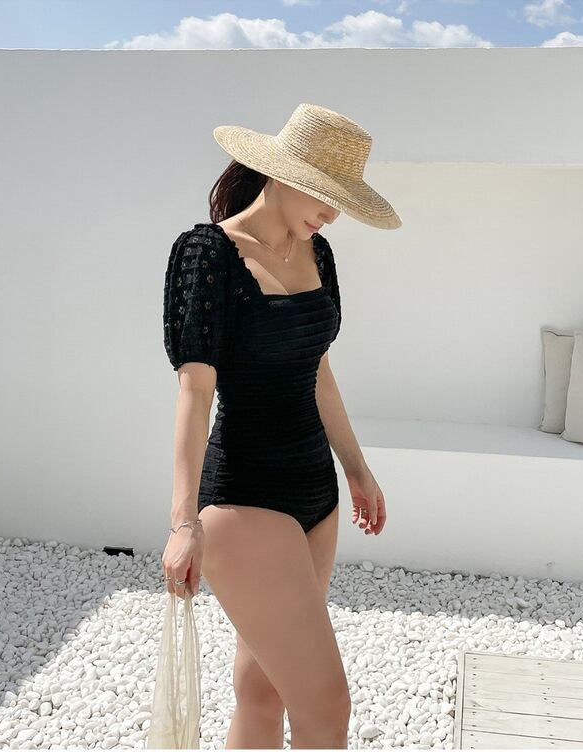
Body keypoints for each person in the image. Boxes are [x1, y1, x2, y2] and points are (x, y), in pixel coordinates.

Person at [161, 103, 401, 749]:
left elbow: (316, 369)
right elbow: (195, 393)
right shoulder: (208, 255)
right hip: (244, 499)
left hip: (316, 494)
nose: (333, 215)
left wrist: (356, 468)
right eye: (325, 196)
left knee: (263, 691)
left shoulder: (317, 253)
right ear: (281, 175)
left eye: (341, 201)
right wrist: (183, 523)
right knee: (327, 707)